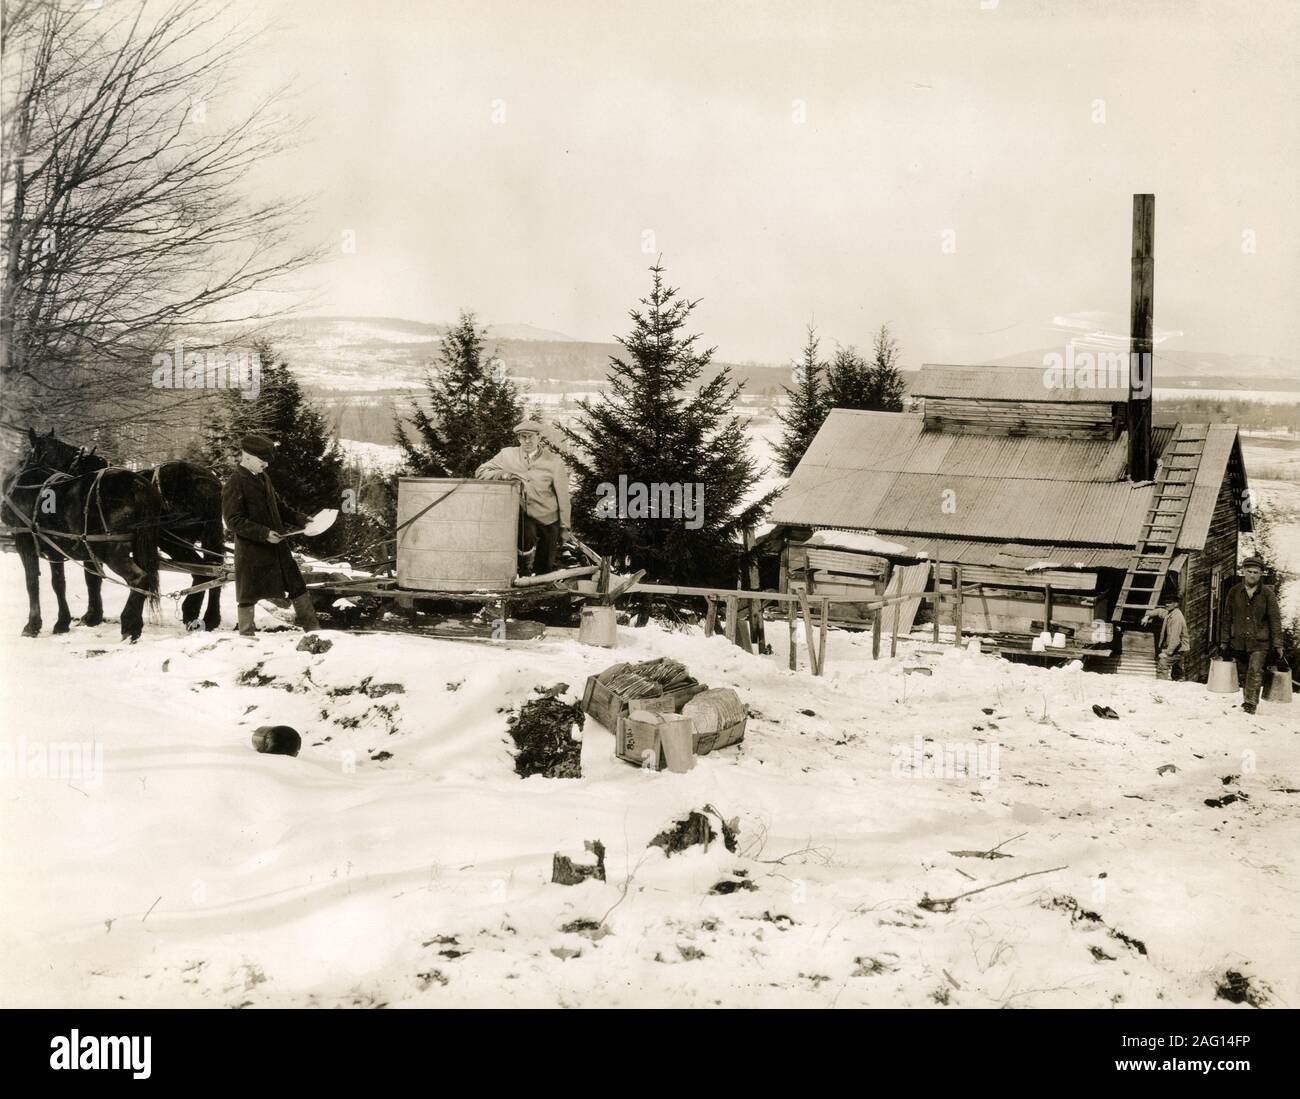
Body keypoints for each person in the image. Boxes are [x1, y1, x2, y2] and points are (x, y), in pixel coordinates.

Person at [221, 434, 321, 636]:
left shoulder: (263, 478)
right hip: (253, 551)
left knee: (297, 585)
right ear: (247, 457)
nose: (266, 464)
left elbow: (280, 508)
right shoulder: (235, 482)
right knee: (248, 594)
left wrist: (302, 519)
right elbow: (233, 520)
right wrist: (263, 533)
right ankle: (246, 635)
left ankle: (314, 630)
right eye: (262, 460)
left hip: (278, 547)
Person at [475, 419, 572, 576]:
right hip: (522, 513)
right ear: (518, 438)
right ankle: (523, 574)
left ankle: (541, 590)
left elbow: (563, 496)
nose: (527, 441)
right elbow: (481, 471)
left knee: (545, 566)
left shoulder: (554, 461)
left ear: (539, 437)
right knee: (525, 538)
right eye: (523, 437)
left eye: (531, 437)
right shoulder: (507, 455)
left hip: (548, 516)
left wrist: (564, 527)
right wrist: (503, 474)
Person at [1217, 555, 1283, 714]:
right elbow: (1227, 617)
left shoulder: (1267, 594)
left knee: (1255, 671)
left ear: (1261, 574)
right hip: (1239, 641)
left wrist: (1278, 644)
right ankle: (1247, 700)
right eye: (1249, 571)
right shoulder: (1234, 592)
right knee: (1244, 673)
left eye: (1256, 572)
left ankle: (1250, 704)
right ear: (1243, 572)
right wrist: (1224, 641)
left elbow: (1275, 620)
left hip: (1260, 642)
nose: (1252, 575)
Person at [1145, 593, 1189, 681]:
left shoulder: (1176, 618)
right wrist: (1147, 616)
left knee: (1162, 665)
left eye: (1169, 603)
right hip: (1182, 649)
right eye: (1166, 602)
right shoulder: (1170, 612)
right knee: (1177, 673)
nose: (1166, 604)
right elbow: (1159, 611)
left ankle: (1161, 688)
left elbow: (1175, 640)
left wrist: (1167, 653)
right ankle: (1178, 686)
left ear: (1176, 604)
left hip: (1177, 649)